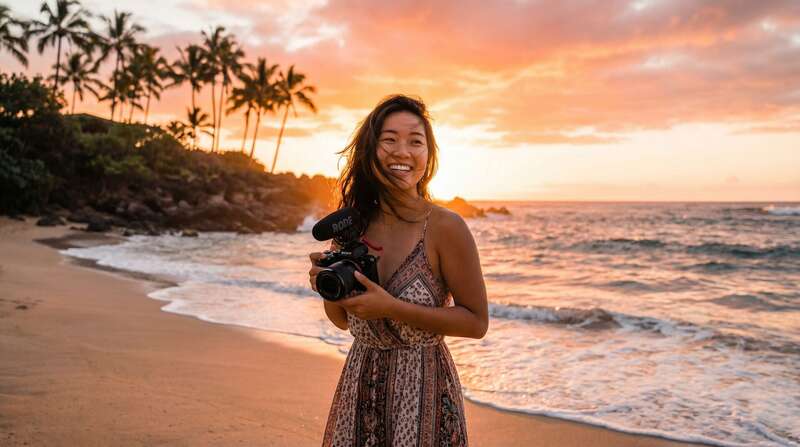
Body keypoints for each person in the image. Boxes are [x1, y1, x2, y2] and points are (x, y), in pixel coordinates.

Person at [308, 94, 488, 447]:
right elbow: (344, 321)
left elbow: (476, 322)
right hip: (360, 381)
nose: (402, 152)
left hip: (423, 388)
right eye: (389, 140)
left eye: (415, 141)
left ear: (428, 155)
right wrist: (328, 287)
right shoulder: (353, 223)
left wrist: (391, 307)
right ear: (371, 150)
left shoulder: (445, 227)